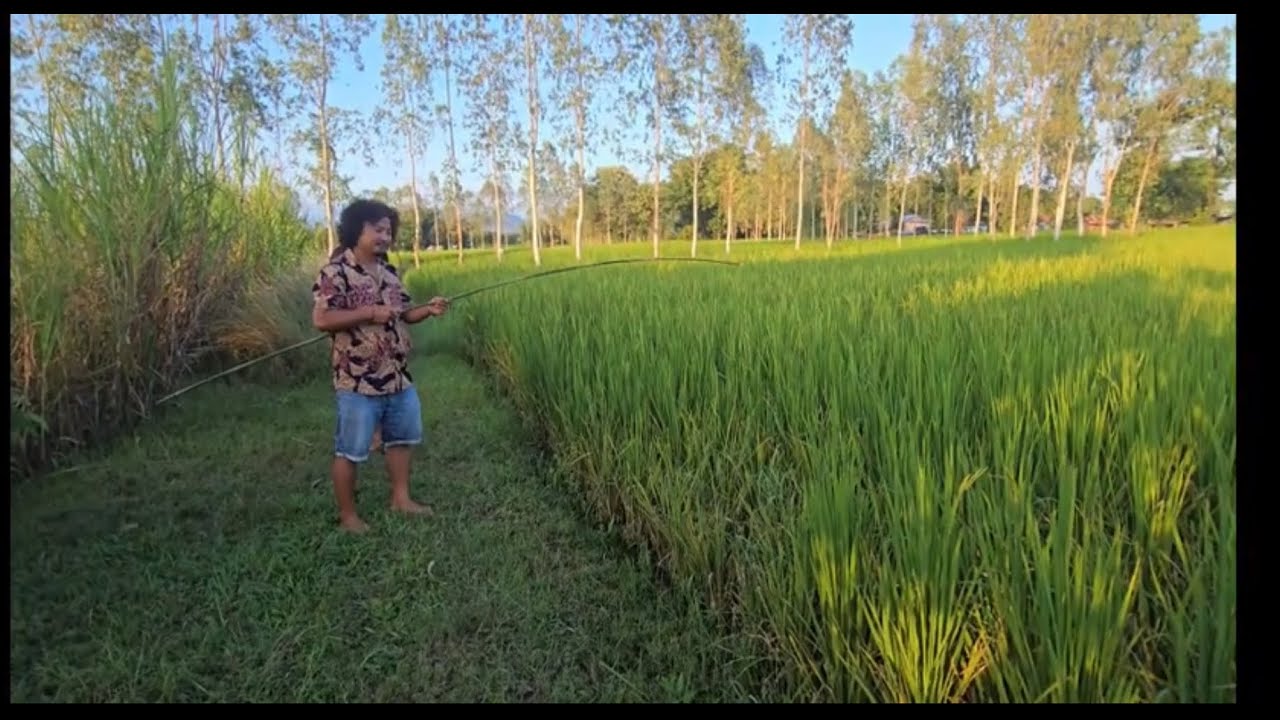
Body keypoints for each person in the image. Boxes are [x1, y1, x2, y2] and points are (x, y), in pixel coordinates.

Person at [311, 198, 450, 533]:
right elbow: (322, 319)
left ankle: (401, 499)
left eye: (388, 231)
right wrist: (369, 313)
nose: (385, 236)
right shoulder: (335, 272)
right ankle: (348, 517)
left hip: (397, 376)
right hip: (357, 380)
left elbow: (404, 314)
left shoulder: (388, 272)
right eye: (378, 229)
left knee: (401, 439)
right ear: (356, 230)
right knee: (350, 450)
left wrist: (428, 309)